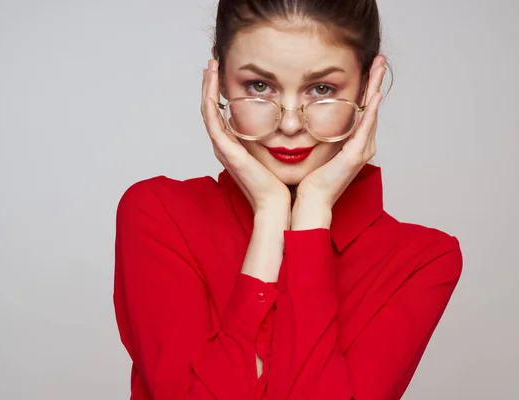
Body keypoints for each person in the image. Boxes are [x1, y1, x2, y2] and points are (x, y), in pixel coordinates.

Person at [113, 0, 463, 399]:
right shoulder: (159, 212)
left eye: (322, 89)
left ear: (367, 88)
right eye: (259, 86)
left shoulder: (422, 260)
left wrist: (312, 211)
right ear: (220, 83)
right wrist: (270, 213)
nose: (292, 123)